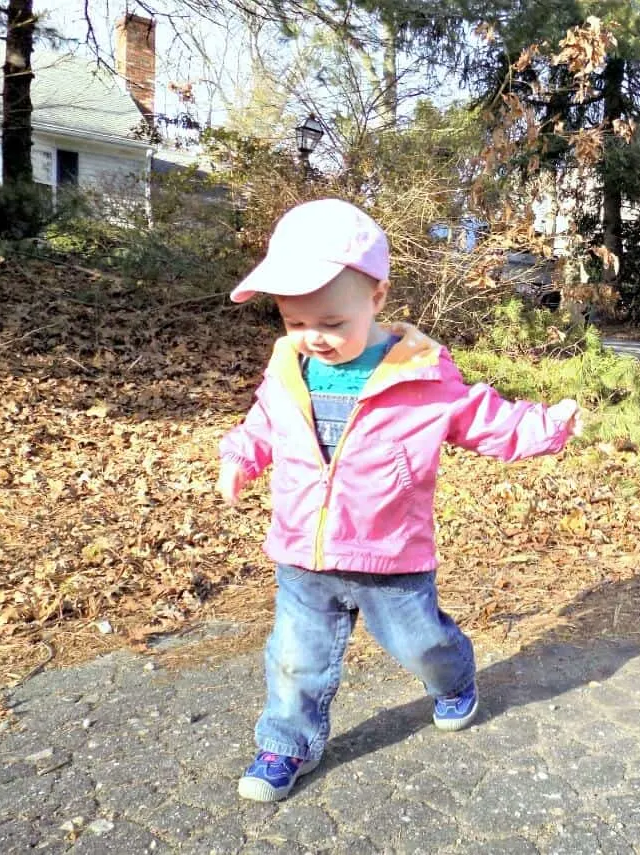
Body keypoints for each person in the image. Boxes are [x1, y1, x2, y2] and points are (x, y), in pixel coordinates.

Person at [217, 198, 583, 802]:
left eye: (332, 322)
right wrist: (241, 457)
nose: (313, 338)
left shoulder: (423, 375)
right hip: (303, 556)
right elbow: (266, 421)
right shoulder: (288, 368)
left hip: (391, 556)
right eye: (294, 322)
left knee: (423, 646)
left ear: (377, 299)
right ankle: (285, 743)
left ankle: (456, 678)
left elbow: (486, 420)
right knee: (293, 660)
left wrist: (548, 426)